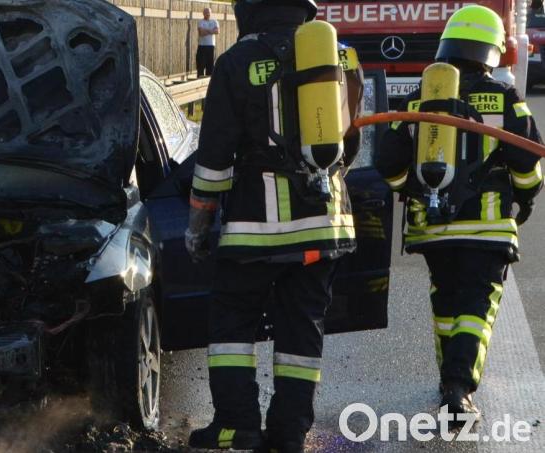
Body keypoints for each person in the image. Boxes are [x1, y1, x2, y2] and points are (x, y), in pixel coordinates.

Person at [184, 0, 363, 450]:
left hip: (256, 229)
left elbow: (214, 158)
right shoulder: (339, 56)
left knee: (232, 325)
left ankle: (236, 425)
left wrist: (198, 224)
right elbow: (352, 139)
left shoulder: (236, 63)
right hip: (325, 224)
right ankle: (290, 432)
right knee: (302, 330)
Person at [375, 5, 543, 424]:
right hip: (485, 228)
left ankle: (449, 378)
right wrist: (526, 199)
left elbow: (388, 160)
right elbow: (527, 163)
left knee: (446, 302)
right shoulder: (505, 98)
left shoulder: (419, 99)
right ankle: (460, 388)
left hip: (433, 229)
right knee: (476, 308)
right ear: (492, 50)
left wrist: (409, 190)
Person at [197, 7, 220, 77]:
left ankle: (209, 79)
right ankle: (200, 78)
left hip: (211, 46)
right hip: (202, 46)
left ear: (211, 13)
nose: (207, 14)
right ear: (203, 13)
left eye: (208, 12)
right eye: (206, 12)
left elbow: (217, 31)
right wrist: (211, 31)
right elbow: (201, 33)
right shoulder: (201, 22)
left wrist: (206, 31)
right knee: (201, 64)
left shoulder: (214, 21)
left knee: (210, 64)